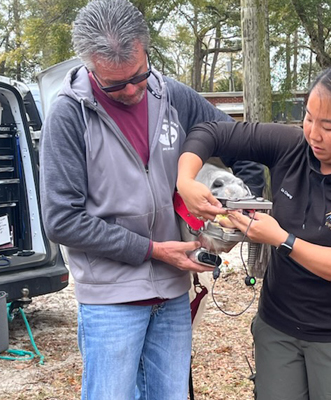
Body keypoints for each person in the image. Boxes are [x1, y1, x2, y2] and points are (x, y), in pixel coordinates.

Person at [39, 1, 265, 399]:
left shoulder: (170, 94)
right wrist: (153, 250)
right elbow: (62, 220)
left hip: (173, 291)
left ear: (146, 50)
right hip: (110, 299)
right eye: (114, 84)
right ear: (90, 65)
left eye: (138, 76)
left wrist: (243, 204)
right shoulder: (69, 114)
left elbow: (239, 141)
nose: (130, 90)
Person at [176, 62, 331, 400]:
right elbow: (211, 131)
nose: (314, 134)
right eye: (309, 118)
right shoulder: (291, 145)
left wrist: (281, 239)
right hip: (277, 327)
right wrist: (185, 181)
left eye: (328, 126)